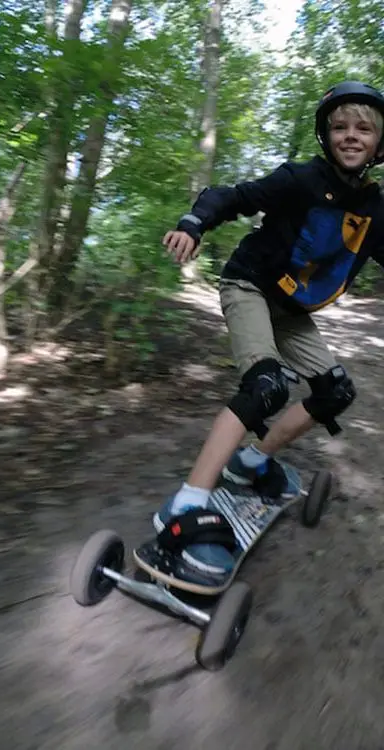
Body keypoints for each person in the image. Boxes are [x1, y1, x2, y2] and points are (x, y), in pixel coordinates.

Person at [154, 80, 384, 584]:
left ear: (379, 144)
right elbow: (232, 197)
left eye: (364, 129)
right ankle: (186, 505)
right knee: (266, 385)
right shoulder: (300, 179)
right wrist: (193, 223)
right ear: (326, 135)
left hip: (292, 309)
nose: (350, 135)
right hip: (250, 285)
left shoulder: (375, 210)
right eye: (339, 127)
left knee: (335, 391)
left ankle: (250, 463)